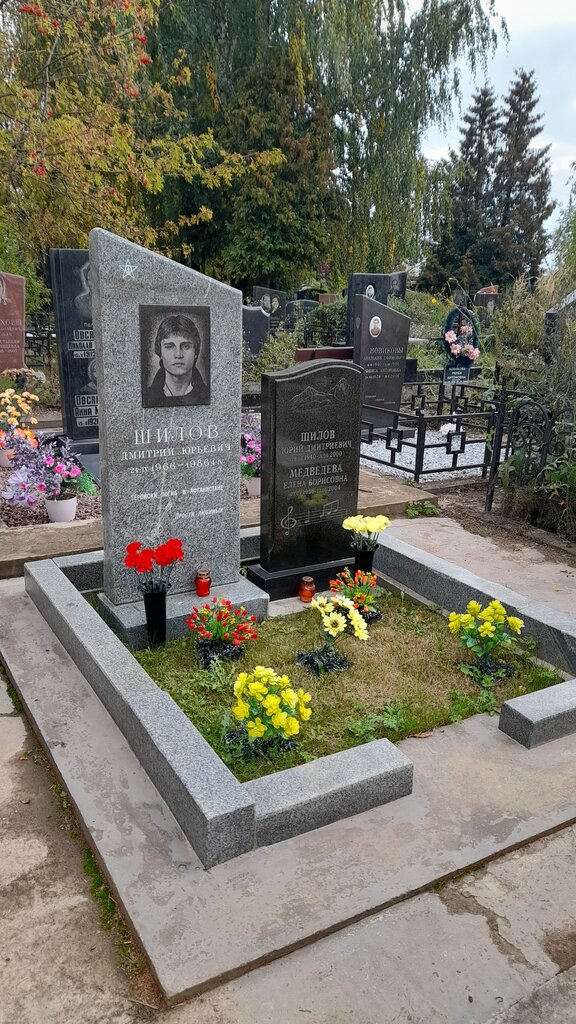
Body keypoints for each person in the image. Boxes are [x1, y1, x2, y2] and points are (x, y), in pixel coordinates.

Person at [143, 313, 209, 407]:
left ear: (196, 352)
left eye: (186, 346)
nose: (178, 355)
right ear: (160, 352)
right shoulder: (147, 398)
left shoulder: (207, 395)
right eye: (169, 347)